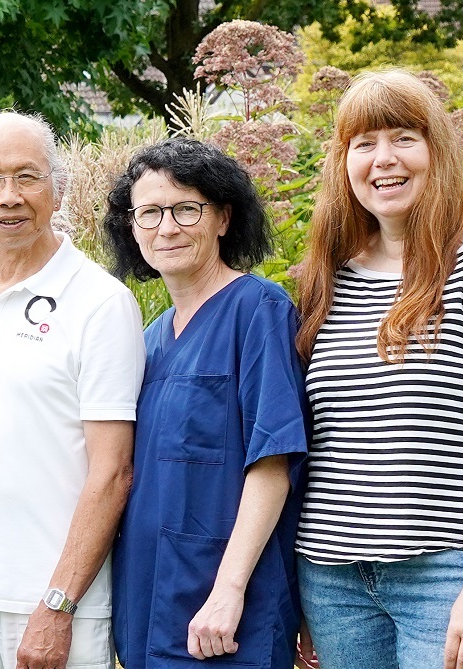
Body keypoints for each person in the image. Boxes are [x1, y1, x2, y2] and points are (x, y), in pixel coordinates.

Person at [292, 69, 463, 669]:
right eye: (364, 143)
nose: (384, 159)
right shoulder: (327, 278)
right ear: (344, 162)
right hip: (332, 581)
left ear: (437, 151)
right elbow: (310, 440)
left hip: (448, 575)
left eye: (404, 137)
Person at [0, 111, 144, 669]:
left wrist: (59, 603)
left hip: (55, 603)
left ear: (59, 187)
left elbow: (113, 472)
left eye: (28, 176)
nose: (9, 196)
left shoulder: (100, 302)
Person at [99, 138, 308, 669]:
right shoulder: (147, 340)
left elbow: (273, 462)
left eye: (186, 208)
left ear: (222, 218)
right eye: (148, 212)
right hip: (148, 602)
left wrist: (229, 589)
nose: (166, 227)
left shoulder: (258, 311)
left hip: (228, 610)